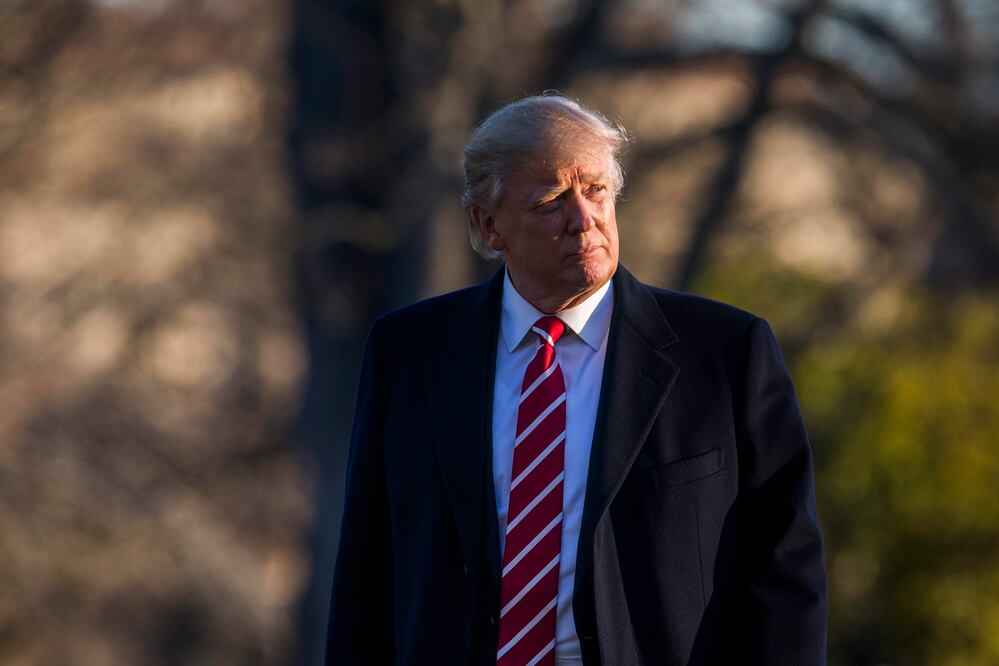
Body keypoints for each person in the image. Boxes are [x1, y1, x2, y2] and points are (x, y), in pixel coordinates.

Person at [326, 94, 827, 665]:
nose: (582, 219)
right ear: (489, 226)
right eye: (549, 202)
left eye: (595, 191)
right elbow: (367, 572)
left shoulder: (726, 352)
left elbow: (785, 570)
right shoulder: (408, 353)